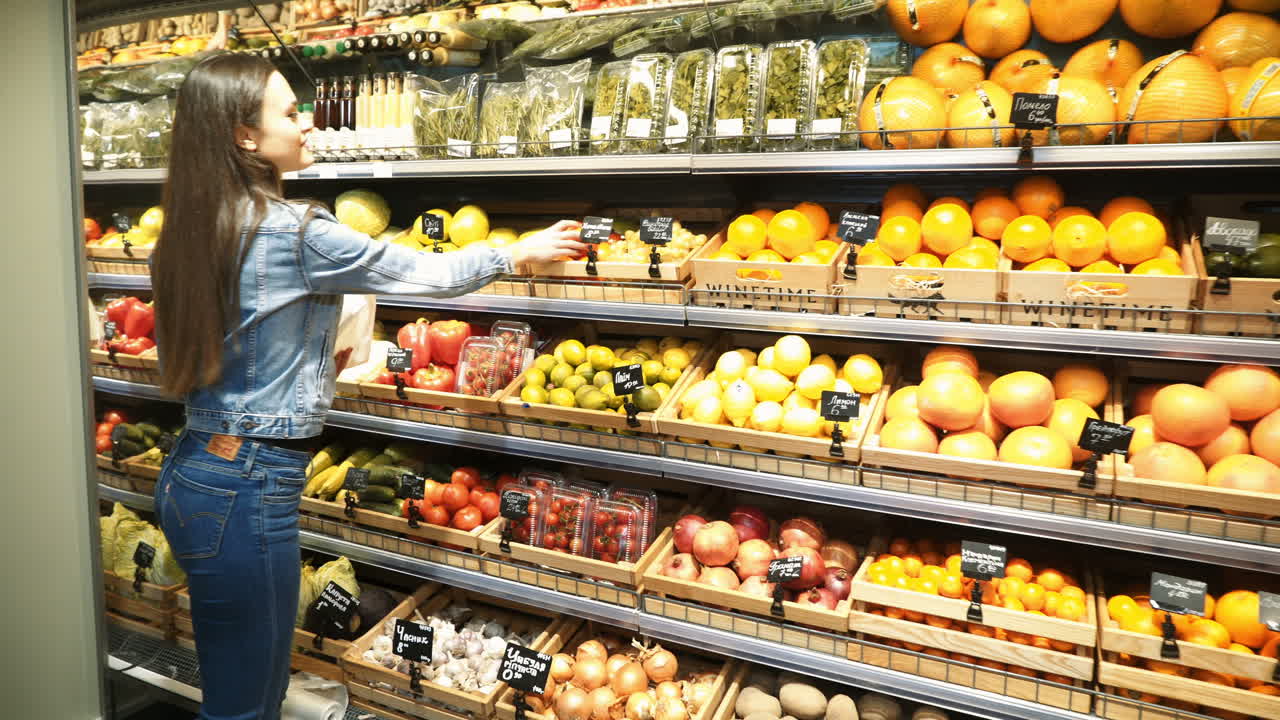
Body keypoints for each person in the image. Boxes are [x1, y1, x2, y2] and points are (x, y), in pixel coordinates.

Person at [148, 53, 584, 720]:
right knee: (248, 703)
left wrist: (317, 354)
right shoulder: (295, 233)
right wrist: (516, 252)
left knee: (233, 685)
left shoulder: (196, 224)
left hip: (198, 471)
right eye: (290, 114)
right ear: (242, 135)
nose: (307, 127)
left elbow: (238, 340)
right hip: (248, 485)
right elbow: (424, 274)